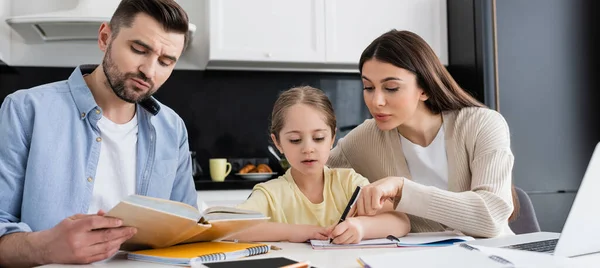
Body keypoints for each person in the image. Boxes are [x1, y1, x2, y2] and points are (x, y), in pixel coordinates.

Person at [0, 0, 197, 266]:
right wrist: (45, 248)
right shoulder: (25, 109)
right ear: (105, 37)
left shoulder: (172, 128)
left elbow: (187, 230)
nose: (149, 71)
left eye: (165, 61)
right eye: (139, 49)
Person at [327, 30, 520, 238]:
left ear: (424, 89)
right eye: (368, 87)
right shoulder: (364, 139)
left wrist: (402, 189)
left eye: (391, 88)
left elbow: (491, 217)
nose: (376, 101)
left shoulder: (481, 124)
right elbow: (308, 176)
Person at [232, 86, 410, 244]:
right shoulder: (270, 194)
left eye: (318, 138)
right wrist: (295, 232)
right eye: (295, 140)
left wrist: (361, 227)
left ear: (332, 137)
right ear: (277, 142)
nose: (308, 148)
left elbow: (401, 221)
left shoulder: (349, 182)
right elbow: (231, 228)